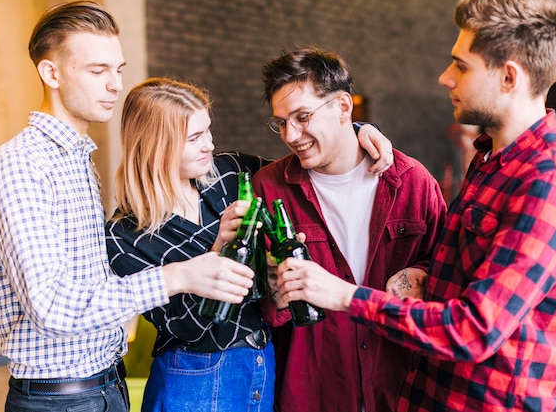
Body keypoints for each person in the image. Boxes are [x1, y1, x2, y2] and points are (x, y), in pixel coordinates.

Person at [274, 0, 556, 411]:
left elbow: (474, 329)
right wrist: (423, 276)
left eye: (461, 65)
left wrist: (345, 295)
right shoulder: (492, 160)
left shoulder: (549, 181)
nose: (444, 78)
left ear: (509, 77)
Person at [0, 2, 256, 412]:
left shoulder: (77, 160)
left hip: (103, 386)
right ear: (51, 73)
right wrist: (179, 275)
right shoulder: (21, 166)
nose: (116, 85)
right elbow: (52, 305)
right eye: (97, 71)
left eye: (118, 70)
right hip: (61, 399)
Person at [104, 77, 394, 411]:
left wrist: (358, 130)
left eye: (208, 131)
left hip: (262, 363)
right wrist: (218, 248)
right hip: (193, 378)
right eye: (195, 137)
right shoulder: (124, 234)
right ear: (157, 145)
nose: (209, 145)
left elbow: (308, 160)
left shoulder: (229, 174)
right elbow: (186, 328)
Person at [252, 48, 447, 412]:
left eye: (303, 116)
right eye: (281, 122)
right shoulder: (269, 188)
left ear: (344, 107)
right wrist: (272, 292)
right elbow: (261, 305)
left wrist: (422, 276)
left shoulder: (412, 183)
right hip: (314, 393)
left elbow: (447, 280)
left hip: (401, 387)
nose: (291, 135)